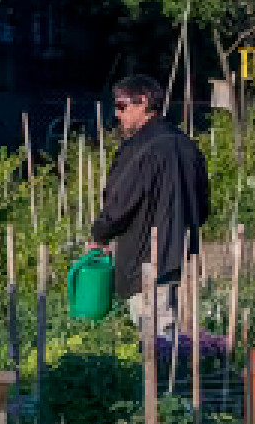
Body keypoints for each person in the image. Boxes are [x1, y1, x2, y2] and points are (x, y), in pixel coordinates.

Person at [87, 74, 211, 341]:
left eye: (122, 107)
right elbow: (203, 208)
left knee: (156, 348)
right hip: (184, 262)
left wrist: (99, 235)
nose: (117, 115)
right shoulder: (188, 146)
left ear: (142, 102)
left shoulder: (140, 150)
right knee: (182, 344)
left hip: (147, 265)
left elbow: (119, 204)